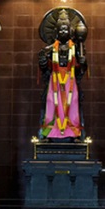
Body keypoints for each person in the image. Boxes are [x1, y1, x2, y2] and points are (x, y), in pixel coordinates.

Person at [38, 9, 86, 140]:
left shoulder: (76, 48)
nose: (63, 32)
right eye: (61, 30)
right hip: (55, 80)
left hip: (70, 80)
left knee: (73, 102)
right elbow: (43, 68)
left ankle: (73, 132)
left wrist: (83, 63)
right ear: (56, 32)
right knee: (51, 102)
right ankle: (51, 133)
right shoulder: (49, 49)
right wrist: (42, 59)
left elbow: (81, 70)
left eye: (66, 29)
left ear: (70, 31)